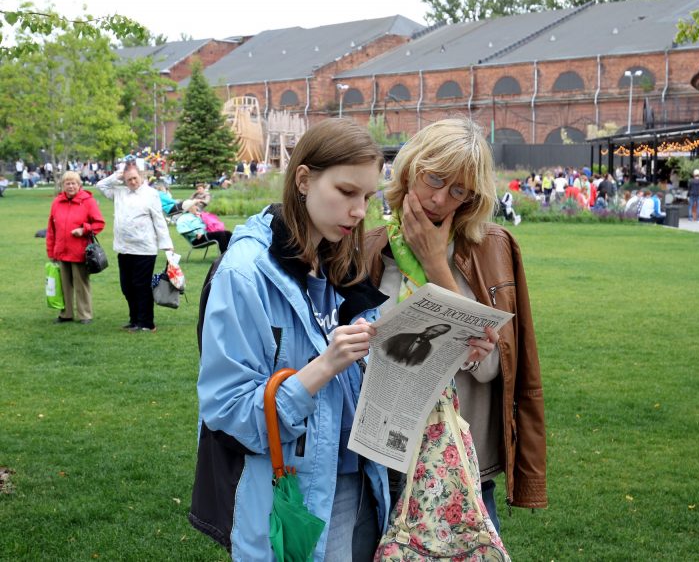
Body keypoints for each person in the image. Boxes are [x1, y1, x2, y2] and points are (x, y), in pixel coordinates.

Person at [189, 118, 389, 561]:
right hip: (294, 493)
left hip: (363, 481)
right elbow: (227, 411)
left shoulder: (337, 262)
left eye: (368, 197)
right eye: (346, 192)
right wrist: (323, 366)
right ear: (304, 179)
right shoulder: (245, 273)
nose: (358, 211)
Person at [363, 118, 547, 534]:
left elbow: (490, 368)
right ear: (410, 167)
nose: (440, 198)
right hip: (383, 460)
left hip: (462, 465)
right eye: (435, 179)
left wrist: (433, 265)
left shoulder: (489, 246)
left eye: (458, 190)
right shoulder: (369, 247)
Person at [97, 164, 174, 333]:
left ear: (141, 176)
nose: (132, 182)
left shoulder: (151, 194)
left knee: (141, 285)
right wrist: (116, 176)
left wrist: (167, 246)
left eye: (134, 178)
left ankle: (146, 322)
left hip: (144, 249)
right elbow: (100, 186)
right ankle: (134, 319)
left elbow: (159, 220)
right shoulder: (119, 192)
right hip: (124, 248)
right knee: (127, 286)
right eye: (128, 179)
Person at [46, 171, 106, 324]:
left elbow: (99, 223)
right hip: (61, 250)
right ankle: (66, 314)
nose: (71, 186)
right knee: (64, 285)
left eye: (74, 183)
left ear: (79, 185)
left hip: (80, 251)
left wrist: (83, 229)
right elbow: (51, 229)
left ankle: (85, 314)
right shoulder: (57, 202)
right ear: (63, 185)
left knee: (81, 284)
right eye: (67, 183)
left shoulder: (88, 201)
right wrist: (51, 250)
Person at [382, 323, 452, 366]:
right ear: (427, 329)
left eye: (439, 333)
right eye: (434, 330)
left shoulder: (428, 347)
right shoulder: (402, 336)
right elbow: (383, 348)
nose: (434, 334)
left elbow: (417, 363)